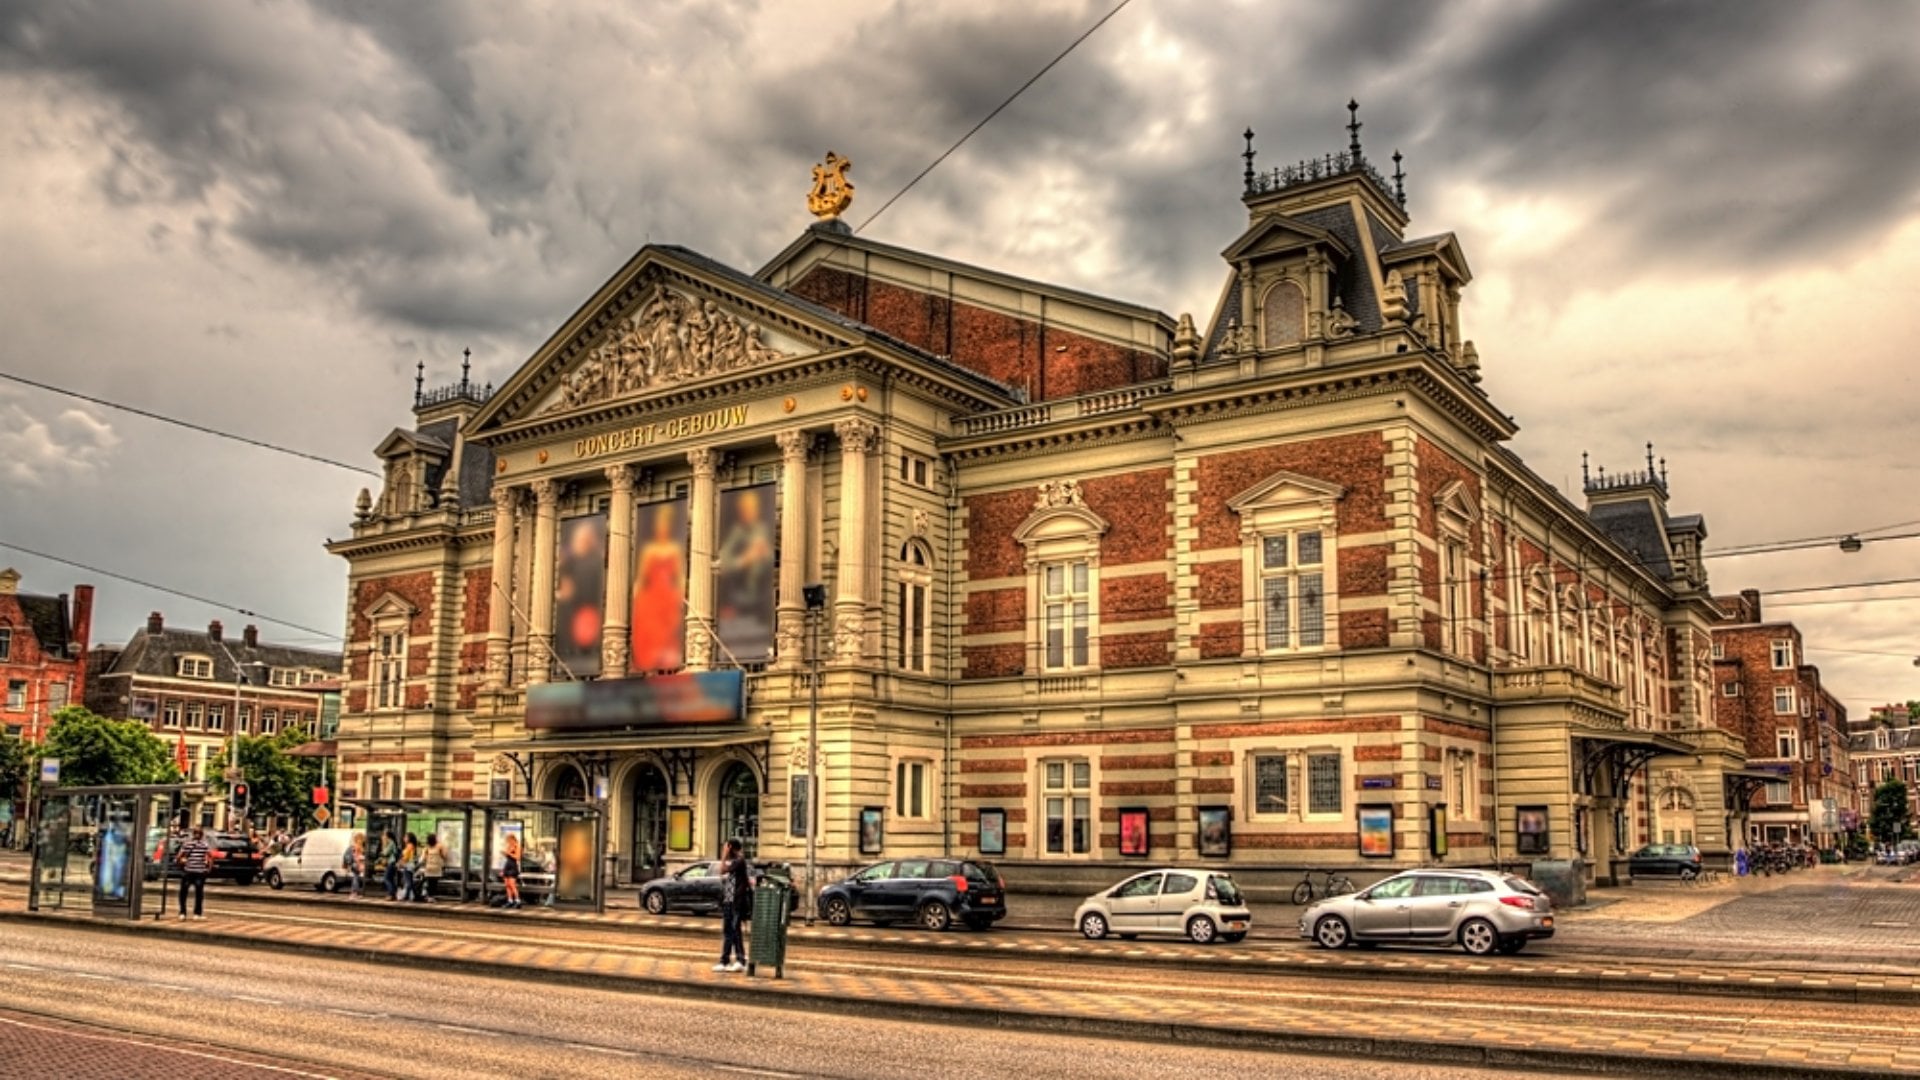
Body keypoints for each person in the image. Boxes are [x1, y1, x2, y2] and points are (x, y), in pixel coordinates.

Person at [713, 838, 750, 974]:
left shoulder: (739, 861)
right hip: (729, 901)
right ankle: (724, 961)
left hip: (736, 902)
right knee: (728, 932)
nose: (724, 849)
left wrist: (723, 855)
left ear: (730, 847)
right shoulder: (735, 861)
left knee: (735, 931)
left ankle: (741, 961)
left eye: (726, 847)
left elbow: (722, 870)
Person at [176, 826, 212, 920]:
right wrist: (208, 869)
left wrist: (181, 863)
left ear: (193, 834)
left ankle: (182, 913)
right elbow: (210, 857)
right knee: (199, 893)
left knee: (183, 892)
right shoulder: (204, 844)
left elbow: (179, 856)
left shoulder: (187, 844)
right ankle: (197, 914)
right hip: (199, 872)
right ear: (201, 835)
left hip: (188, 871)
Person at [418, 834, 445, 903]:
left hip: (429, 867)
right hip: (437, 867)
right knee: (434, 883)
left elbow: (422, 858)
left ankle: (429, 896)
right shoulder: (439, 847)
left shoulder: (426, 848)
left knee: (429, 882)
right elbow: (444, 856)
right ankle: (432, 896)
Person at [501, 834, 523, 909]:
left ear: (513, 839)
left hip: (513, 866)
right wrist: (505, 853)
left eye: (509, 840)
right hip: (507, 865)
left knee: (512, 884)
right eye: (507, 840)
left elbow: (518, 857)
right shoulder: (509, 846)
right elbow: (507, 855)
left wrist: (509, 853)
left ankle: (517, 900)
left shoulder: (517, 846)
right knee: (507, 884)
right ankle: (510, 900)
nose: (508, 842)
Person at [397, 834, 418, 902]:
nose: (404, 838)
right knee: (410, 881)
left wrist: (400, 863)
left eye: (406, 837)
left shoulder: (409, 846)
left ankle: (407, 895)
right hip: (410, 865)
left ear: (409, 838)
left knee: (408, 881)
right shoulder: (411, 846)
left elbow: (406, 857)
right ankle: (416, 895)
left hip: (408, 865)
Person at [379, 829, 400, 900]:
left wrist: (383, 844)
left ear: (388, 836)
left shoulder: (391, 843)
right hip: (391, 863)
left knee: (387, 878)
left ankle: (391, 894)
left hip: (391, 863)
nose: (383, 836)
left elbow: (385, 853)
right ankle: (393, 894)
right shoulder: (390, 843)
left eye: (384, 835)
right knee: (390, 879)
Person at [346, 832, 367, 899]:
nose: (362, 840)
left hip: (357, 864)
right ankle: (354, 892)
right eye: (361, 839)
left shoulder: (356, 846)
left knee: (356, 877)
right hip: (357, 864)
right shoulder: (357, 846)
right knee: (356, 878)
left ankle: (355, 892)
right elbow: (356, 856)